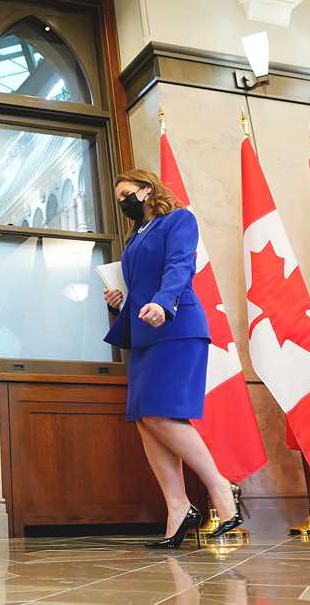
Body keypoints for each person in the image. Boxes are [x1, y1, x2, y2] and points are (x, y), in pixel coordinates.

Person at [103, 169, 244, 548]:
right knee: (144, 419)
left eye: (126, 194)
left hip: (177, 327)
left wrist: (163, 303)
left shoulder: (179, 219)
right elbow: (141, 286)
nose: (122, 202)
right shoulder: (135, 238)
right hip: (145, 333)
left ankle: (221, 488)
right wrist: (122, 300)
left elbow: (180, 266)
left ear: (147, 190)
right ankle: (178, 507)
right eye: (118, 198)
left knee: (161, 414)